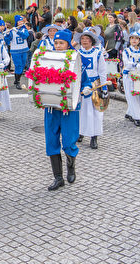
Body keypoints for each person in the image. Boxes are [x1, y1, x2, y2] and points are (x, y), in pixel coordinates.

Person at [42, 30, 92, 191]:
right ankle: (58, 177)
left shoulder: (76, 60)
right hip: (51, 107)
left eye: (61, 43)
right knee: (51, 142)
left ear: (68, 43)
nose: (57, 46)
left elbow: (86, 82)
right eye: (56, 43)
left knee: (70, 141)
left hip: (69, 108)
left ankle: (71, 167)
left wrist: (87, 88)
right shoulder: (48, 59)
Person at [77, 27, 108, 149]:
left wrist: (104, 89)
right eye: (83, 39)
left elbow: (102, 71)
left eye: (87, 39)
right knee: (81, 111)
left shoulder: (98, 53)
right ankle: (81, 132)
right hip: (82, 85)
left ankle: (94, 136)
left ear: (92, 41)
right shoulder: (77, 53)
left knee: (95, 111)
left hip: (95, 85)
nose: (85, 41)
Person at [5, 16, 30, 89]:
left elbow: (25, 36)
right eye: (19, 22)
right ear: (17, 22)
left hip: (24, 50)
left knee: (22, 66)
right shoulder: (12, 31)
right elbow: (7, 41)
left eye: (22, 21)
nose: (21, 23)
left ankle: (16, 80)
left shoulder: (24, 29)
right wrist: (7, 34)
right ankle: (18, 81)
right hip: (15, 51)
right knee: (18, 66)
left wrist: (17, 31)